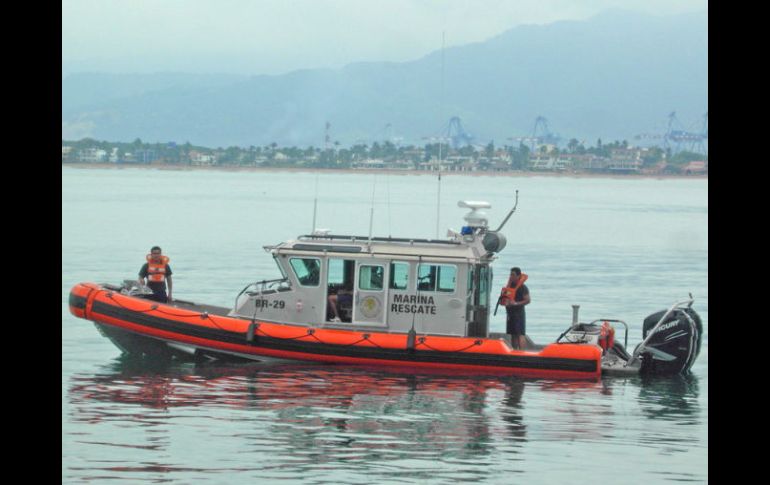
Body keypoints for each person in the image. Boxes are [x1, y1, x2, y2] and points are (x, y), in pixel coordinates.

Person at [503, 267, 530, 350]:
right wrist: (504, 302)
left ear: (518, 276)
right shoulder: (509, 286)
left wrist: (516, 303)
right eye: (510, 274)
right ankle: (514, 351)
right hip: (510, 313)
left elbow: (528, 300)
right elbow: (504, 297)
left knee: (520, 334)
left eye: (513, 275)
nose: (511, 276)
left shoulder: (523, 287)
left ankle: (522, 352)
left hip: (519, 313)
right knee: (513, 334)